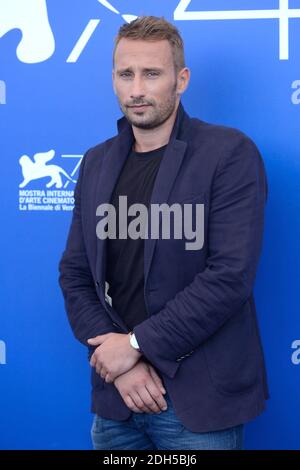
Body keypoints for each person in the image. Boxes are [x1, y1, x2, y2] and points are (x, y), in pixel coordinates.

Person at [59, 16, 269, 450]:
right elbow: (76, 275)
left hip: (196, 405)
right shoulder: (96, 163)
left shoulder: (229, 153)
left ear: (182, 79)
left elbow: (229, 276)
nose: (136, 89)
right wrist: (121, 364)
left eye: (151, 73)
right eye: (125, 74)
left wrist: (135, 345)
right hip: (116, 402)